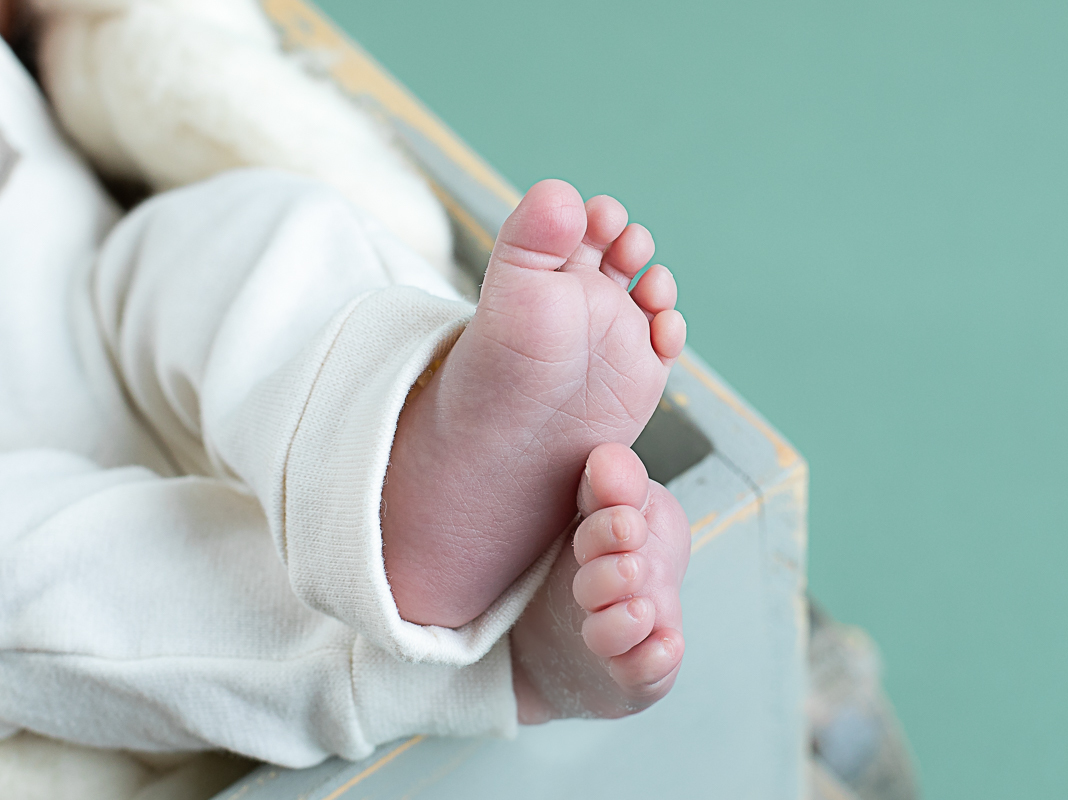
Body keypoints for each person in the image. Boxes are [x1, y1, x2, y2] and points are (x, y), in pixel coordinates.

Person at [0, 0, 692, 779]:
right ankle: (497, 646)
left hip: (93, 291)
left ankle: (393, 445)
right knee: (55, 587)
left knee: (252, 234)